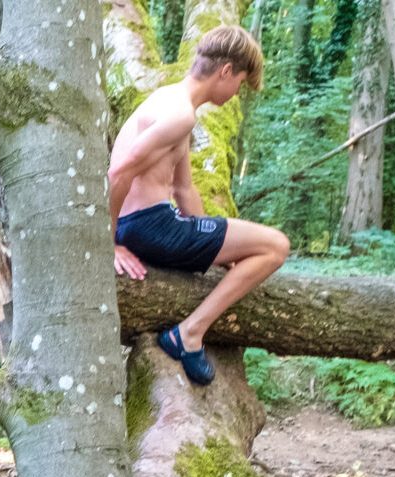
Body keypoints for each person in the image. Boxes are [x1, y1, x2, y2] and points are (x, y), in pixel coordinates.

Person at [107, 25, 289, 387]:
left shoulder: (170, 101)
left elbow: (184, 188)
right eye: (239, 82)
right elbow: (118, 171)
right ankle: (189, 333)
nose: (237, 93)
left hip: (147, 223)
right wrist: (107, 242)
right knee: (276, 246)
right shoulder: (180, 116)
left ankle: (190, 328)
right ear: (225, 72)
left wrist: (220, 247)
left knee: (247, 248)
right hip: (151, 227)